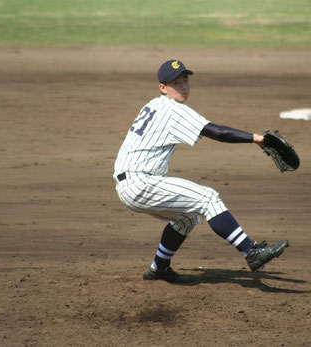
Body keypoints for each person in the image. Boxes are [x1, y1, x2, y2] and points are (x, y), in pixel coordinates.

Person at [113, 59, 288, 282]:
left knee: (188, 217)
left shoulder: (154, 104)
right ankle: (250, 251)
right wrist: (257, 139)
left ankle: (159, 267)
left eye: (185, 80)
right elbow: (216, 131)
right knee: (208, 198)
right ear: (163, 88)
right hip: (141, 183)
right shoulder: (172, 110)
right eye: (176, 83)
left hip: (131, 184)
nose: (184, 86)